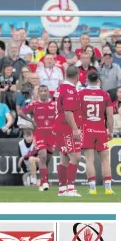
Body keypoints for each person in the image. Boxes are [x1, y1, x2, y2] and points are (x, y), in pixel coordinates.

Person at [79, 71, 115, 195]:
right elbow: (110, 115)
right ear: (98, 80)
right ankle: (108, 188)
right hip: (100, 128)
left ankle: (93, 189)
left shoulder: (81, 93)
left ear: (87, 79)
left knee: (89, 159)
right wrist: (110, 131)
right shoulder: (104, 94)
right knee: (105, 160)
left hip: (87, 128)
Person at [18, 85, 56, 191]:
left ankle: (44, 179)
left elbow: (62, 115)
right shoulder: (34, 105)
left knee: (47, 160)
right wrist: (31, 121)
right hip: (39, 133)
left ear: (48, 92)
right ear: (38, 93)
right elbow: (20, 112)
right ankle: (44, 183)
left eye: (45, 91)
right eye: (41, 91)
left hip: (52, 135)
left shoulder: (54, 105)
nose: (43, 93)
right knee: (42, 155)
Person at [53, 66, 83, 197]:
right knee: (75, 157)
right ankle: (70, 189)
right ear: (78, 75)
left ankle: (62, 189)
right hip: (66, 127)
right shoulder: (69, 90)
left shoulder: (61, 88)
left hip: (60, 126)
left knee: (64, 158)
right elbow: (68, 111)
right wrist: (75, 129)